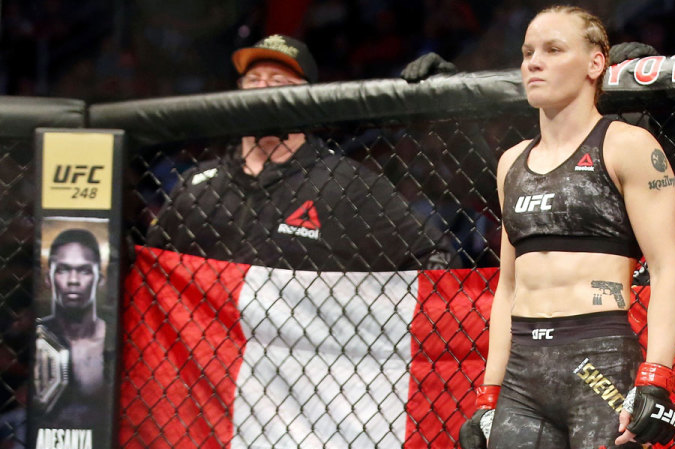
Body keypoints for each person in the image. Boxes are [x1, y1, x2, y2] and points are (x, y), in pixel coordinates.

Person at [456, 6, 675, 449]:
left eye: (552, 49)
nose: (533, 61)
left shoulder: (627, 147)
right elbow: (507, 287)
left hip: (600, 365)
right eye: (528, 50)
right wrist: (489, 392)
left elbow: (668, 267)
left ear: (595, 63)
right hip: (525, 373)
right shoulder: (511, 164)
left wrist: (656, 376)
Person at [401, 42, 675, 281]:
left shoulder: (671, 209)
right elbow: (494, 190)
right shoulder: (564, 188)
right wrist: (450, 110)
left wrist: (666, 105)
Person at [147, 35, 452, 272]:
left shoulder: (345, 185)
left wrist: (449, 100)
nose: (262, 90)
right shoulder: (197, 185)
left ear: (306, 99)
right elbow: (150, 270)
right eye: (254, 80)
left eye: (278, 82)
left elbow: (436, 255)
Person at [34, 229, 106, 427]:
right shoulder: (35, 336)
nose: (73, 280)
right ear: (49, 279)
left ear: (99, 280)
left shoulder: (114, 339)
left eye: (84, 270)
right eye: (63, 270)